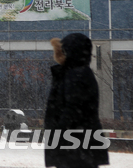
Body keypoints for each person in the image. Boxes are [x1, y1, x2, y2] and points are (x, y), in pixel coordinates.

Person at [44, 33, 109, 168]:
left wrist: (58, 132)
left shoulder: (76, 74)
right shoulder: (74, 73)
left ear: (70, 52)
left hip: (75, 145)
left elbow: (72, 109)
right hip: (78, 144)